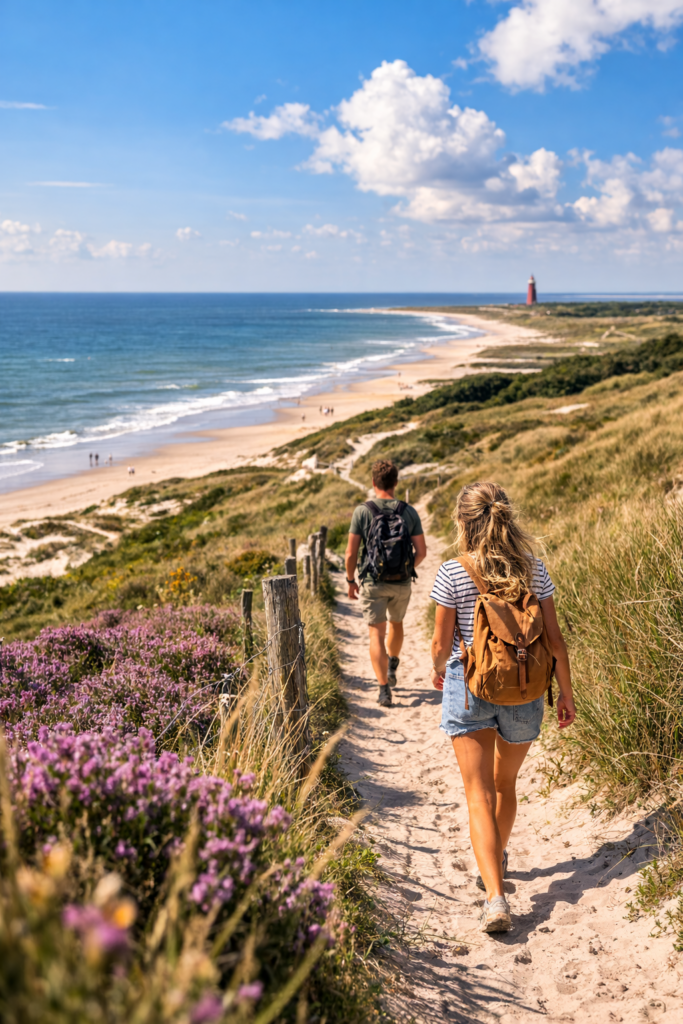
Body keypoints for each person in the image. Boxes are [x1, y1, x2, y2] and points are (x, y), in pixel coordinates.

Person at [430, 481, 576, 934]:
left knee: (479, 795)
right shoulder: (534, 570)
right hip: (526, 691)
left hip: (470, 687)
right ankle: (497, 858)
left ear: (462, 523)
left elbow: (440, 644)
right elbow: (555, 641)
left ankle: (495, 898)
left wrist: (439, 669)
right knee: (505, 785)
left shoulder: (453, 573)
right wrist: (566, 693)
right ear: (506, 517)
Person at [346, 459, 427, 707]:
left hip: (373, 581)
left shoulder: (363, 511)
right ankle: (393, 663)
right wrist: (405, 569)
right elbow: (422, 552)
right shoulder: (408, 511)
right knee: (397, 624)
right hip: (401, 583)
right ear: (396, 483)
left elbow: (351, 554)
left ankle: (383, 690)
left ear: (373, 483)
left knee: (376, 634)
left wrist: (351, 580)